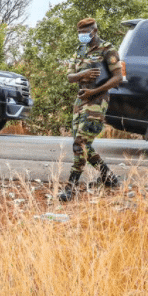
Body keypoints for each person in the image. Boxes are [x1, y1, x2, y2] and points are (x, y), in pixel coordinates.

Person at [59, 18, 123, 202]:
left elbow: (118, 77)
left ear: (94, 31)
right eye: (79, 33)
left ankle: (71, 188)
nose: (82, 36)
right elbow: (70, 76)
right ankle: (109, 178)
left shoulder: (107, 49)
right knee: (83, 144)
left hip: (97, 101)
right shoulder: (80, 50)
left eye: (85, 32)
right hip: (80, 101)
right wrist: (83, 74)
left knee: (79, 144)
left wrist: (94, 92)